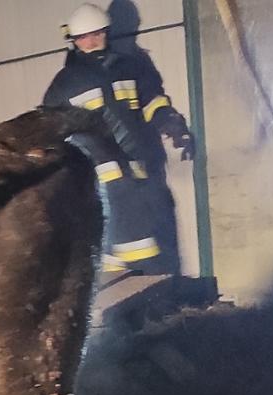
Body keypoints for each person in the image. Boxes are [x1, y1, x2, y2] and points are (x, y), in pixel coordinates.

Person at [42, 2, 193, 277]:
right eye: (84, 37)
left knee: (146, 235)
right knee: (122, 242)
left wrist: (172, 124)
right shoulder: (63, 84)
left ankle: (143, 290)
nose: (91, 41)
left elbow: (152, 101)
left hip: (142, 169)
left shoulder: (130, 68)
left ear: (107, 33)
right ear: (73, 41)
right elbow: (52, 131)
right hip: (101, 177)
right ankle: (130, 292)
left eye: (97, 34)